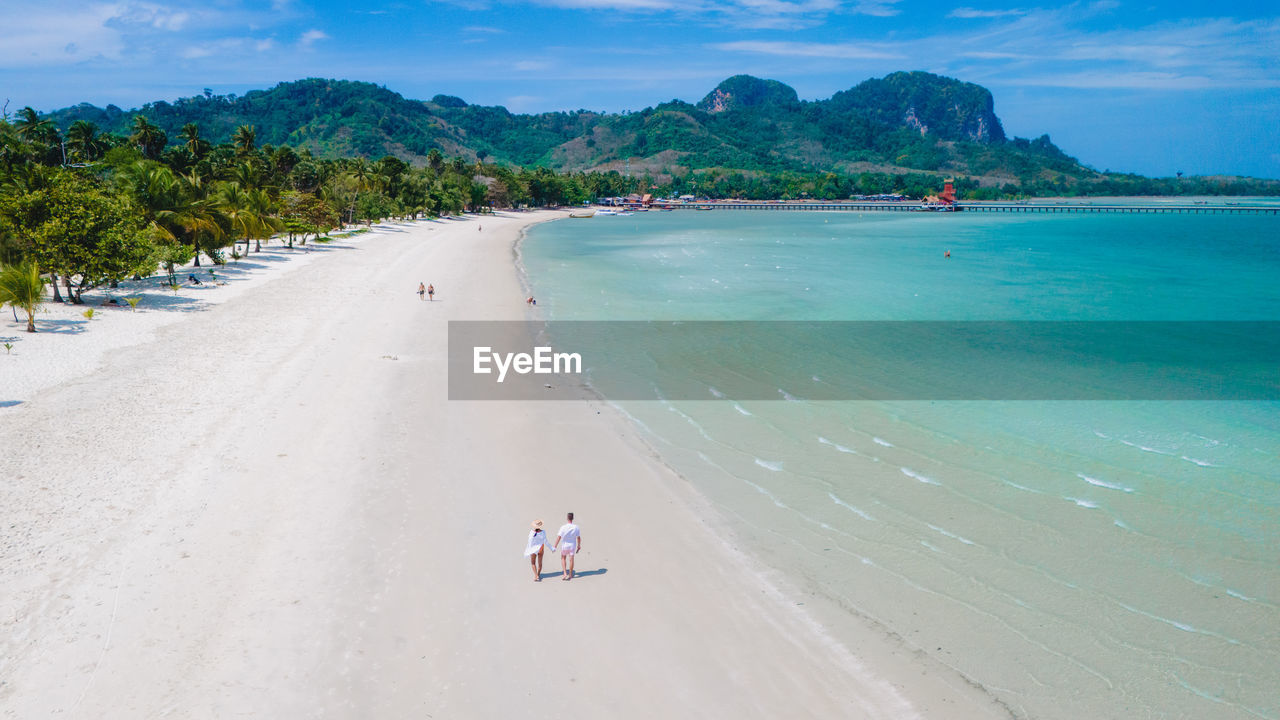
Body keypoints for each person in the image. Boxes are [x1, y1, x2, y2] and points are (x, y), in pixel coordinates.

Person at [552, 512, 581, 581]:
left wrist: (555, 546)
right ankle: (570, 574)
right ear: (573, 518)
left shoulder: (563, 527)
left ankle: (565, 573)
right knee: (571, 559)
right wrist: (579, 546)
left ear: (567, 518)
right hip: (572, 546)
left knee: (563, 558)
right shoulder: (576, 527)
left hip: (565, 545)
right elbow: (578, 538)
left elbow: (559, 537)